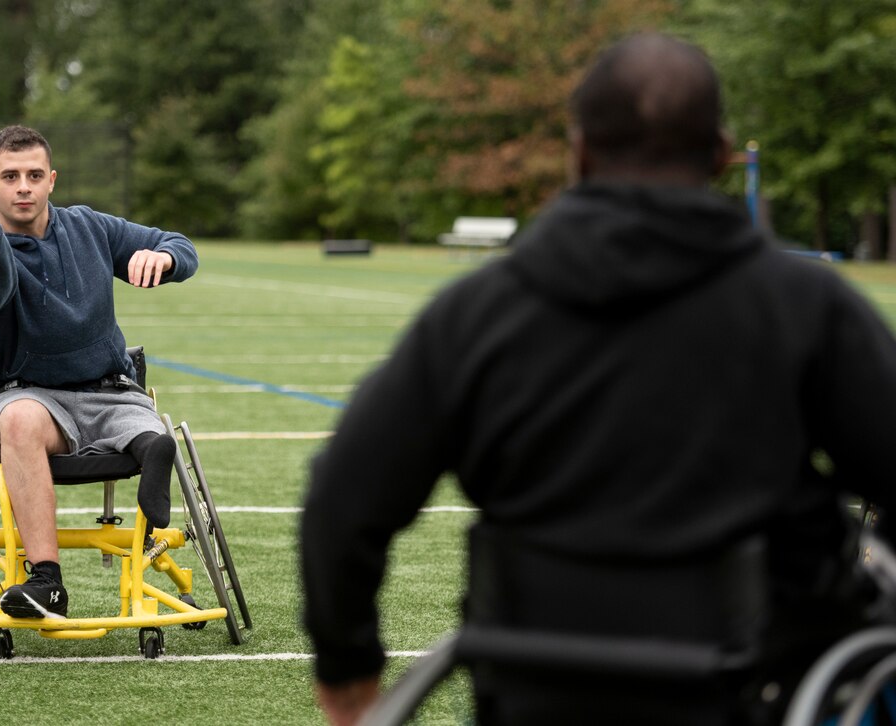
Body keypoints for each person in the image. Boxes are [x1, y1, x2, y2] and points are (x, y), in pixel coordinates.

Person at [300, 32, 896, 725]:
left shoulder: (478, 314)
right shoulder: (808, 307)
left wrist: (348, 676)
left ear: (578, 153)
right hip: (764, 691)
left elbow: (343, 500)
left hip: (537, 694)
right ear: (722, 156)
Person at [0, 125, 198, 620]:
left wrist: (162, 255)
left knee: (140, 421)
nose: (24, 186)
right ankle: (46, 582)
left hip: (111, 388)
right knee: (18, 420)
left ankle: (152, 448)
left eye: (34, 174)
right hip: (31, 395)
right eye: (10, 176)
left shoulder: (89, 226)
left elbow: (180, 244)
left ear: (51, 179)